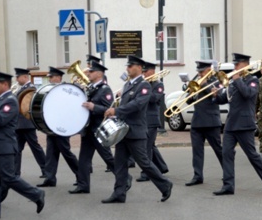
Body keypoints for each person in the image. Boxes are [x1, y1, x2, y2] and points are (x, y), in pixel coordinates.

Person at [0, 71, 45, 220]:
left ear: (5, 84)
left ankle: (36, 194)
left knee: (9, 178)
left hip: (3, 146)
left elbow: (0, 121)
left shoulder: (11, 101)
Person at [101, 55, 173, 203]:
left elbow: (138, 105)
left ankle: (165, 184)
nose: (127, 68)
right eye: (127, 66)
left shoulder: (144, 85)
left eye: (130, 66)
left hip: (136, 131)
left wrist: (117, 111)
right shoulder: (127, 85)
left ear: (139, 68)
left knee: (144, 163)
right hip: (123, 131)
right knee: (120, 164)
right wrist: (114, 114)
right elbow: (123, 106)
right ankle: (119, 193)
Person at [211, 53, 262, 195]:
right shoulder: (233, 82)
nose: (234, 67)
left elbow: (247, 94)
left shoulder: (253, 81)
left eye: (237, 65)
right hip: (231, 124)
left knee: (251, 154)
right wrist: (215, 96)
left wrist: (237, 79)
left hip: (245, 124)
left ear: (245, 65)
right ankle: (228, 185)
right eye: (234, 65)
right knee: (226, 153)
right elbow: (225, 99)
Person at [69, 60, 115, 194]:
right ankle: (83, 185)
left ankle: (124, 177)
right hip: (88, 129)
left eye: (91, 71)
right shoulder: (90, 87)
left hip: (98, 129)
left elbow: (109, 108)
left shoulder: (105, 89)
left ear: (99, 74)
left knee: (108, 158)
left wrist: (94, 107)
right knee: (84, 159)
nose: (88, 73)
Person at [37, 67, 79, 187]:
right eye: (49, 77)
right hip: (51, 126)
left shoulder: (66, 90)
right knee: (51, 153)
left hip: (62, 127)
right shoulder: (50, 90)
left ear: (59, 78)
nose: (49, 79)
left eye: (51, 77)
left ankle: (81, 175)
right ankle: (50, 178)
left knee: (66, 152)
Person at [184, 60, 223, 186]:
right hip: (197, 121)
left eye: (202, 71)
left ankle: (228, 171)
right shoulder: (197, 82)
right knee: (197, 151)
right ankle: (197, 176)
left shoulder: (216, 80)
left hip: (211, 121)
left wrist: (205, 84)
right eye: (198, 72)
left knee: (218, 149)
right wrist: (189, 92)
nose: (199, 74)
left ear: (209, 70)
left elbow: (217, 96)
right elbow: (189, 102)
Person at [137, 61, 169, 182]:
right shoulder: (143, 84)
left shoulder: (158, 84)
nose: (144, 74)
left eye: (146, 71)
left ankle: (146, 173)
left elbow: (154, 99)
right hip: (143, 119)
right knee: (151, 146)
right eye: (143, 71)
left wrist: (144, 89)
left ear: (152, 71)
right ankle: (161, 167)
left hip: (151, 120)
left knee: (146, 147)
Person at [12, 68, 46, 178]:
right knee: (17, 149)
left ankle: (46, 170)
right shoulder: (22, 88)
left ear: (25, 77)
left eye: (18, 77)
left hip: (27, 124)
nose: (16, 79)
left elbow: (25, 105)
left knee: (35, 148)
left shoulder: (30, 88)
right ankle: (15, 172)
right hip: (20, 125)